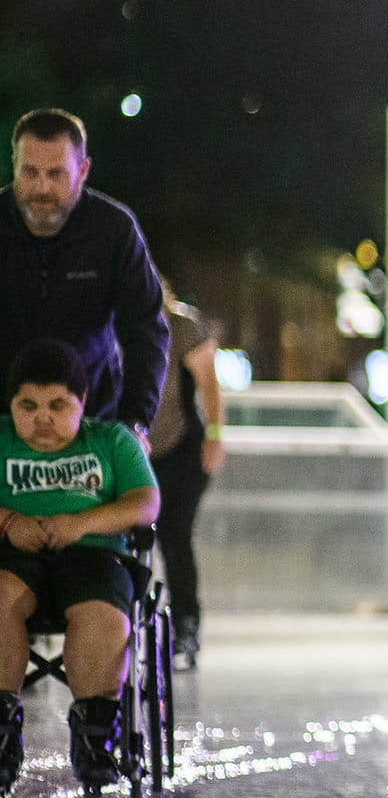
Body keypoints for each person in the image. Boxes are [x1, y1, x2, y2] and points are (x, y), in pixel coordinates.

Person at [0, 339, 161, 798]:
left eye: (57, 405)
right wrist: (9, 522)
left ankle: (95, 735)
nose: (42, 419)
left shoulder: (112, 441)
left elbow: (145, 502)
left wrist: (81, 523)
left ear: (82, 401)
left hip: (94, 556)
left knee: (101, 616)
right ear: (11, 404)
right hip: (13, 557)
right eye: (28, 406)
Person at [1, 110, 170, 441]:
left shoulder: (114, 231)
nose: (42, 187)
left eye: (56, 174)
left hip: (92, 423)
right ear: (14, 165)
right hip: (3, 423)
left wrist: (136, 420)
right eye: (30, 172)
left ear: (83, 171)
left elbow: (146, 330)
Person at [147, 281, 226, 669]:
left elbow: (209, 382)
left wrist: (215, 434)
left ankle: (186, 627)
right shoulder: (113, 324)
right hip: (131, 450)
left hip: (180, 448)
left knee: (175, 535)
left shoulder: (181, 327)